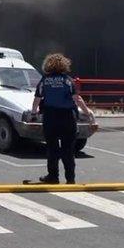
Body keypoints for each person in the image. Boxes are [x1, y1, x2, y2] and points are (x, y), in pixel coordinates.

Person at [31, 53, 94, 185]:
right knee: (68, 150)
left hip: (51, 117)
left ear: (48, 65)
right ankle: (70, 179)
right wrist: (87, 112)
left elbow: (37, 98)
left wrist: (33, 113)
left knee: (52, 149)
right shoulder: (68, 80)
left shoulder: (45, 80)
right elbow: (77, 98)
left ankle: (53, 177)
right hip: (67, 117)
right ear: (64, 65)